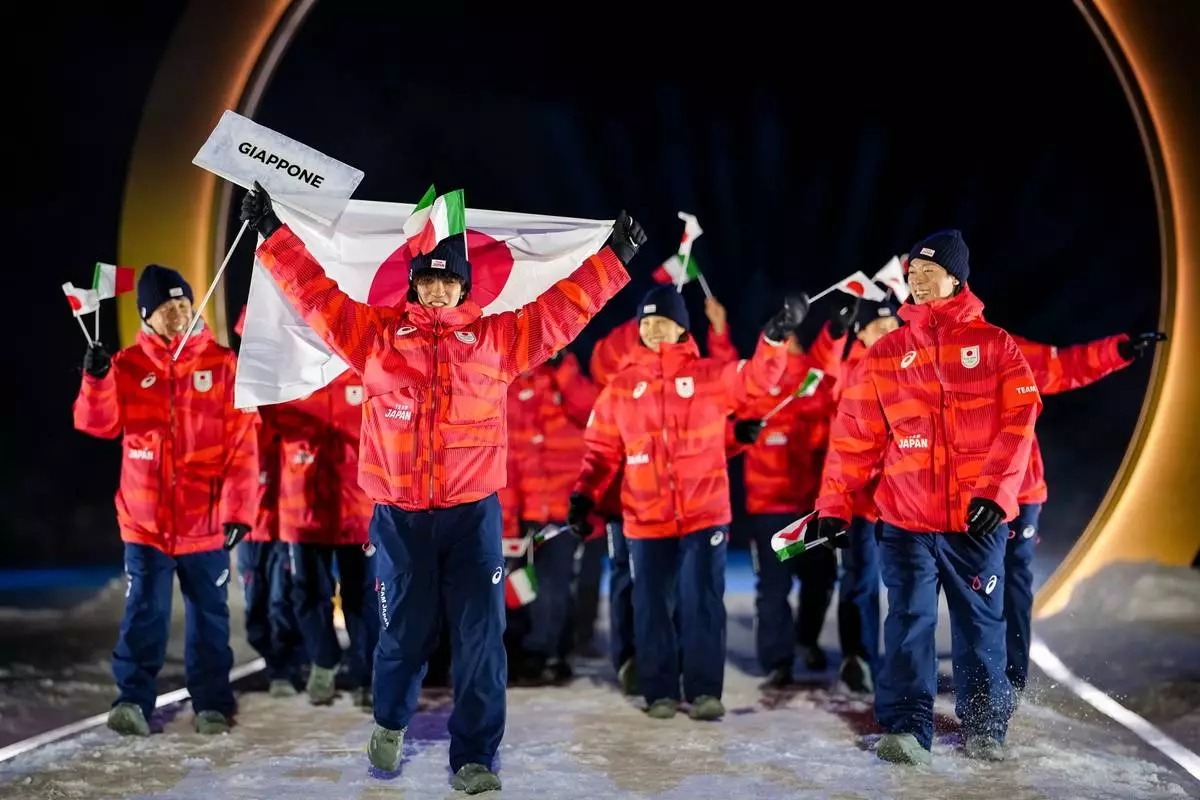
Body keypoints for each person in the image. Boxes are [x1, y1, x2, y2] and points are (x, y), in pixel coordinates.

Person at [241, 181, 641, 793]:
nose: (436, 289)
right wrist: (272, 237)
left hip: (472, 515)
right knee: (403, 635)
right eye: (427, 280)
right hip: (399, 517)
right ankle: (392, 719)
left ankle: (475, 755)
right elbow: (315, 295)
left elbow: (562, 310)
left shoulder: (496, 341)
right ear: (414, 284)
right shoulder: (374, 339)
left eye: (447, 280)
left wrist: (613, 261)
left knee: (482, 639)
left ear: (463, 285)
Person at [815, 230, 1041, 765]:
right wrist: (832, 507)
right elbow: (853, 438)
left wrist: (995, 491)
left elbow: (1020, 421)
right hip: (905, 520)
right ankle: (908, 728)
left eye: (926, 273)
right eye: (911, 274)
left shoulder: (995, 346)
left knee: (979, 624)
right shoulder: (887, 352)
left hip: (974, 522)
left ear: (957, 278)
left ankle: (986, 724)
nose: (915, 282)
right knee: (910, 621)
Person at [570, 285, 807, 721]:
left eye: (662, 322)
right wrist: (584, 495)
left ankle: (702, 691)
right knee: (651, 605)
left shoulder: (708, 375)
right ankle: (659, 689)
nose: (653, 329)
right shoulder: (621, 388)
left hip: (704, 513)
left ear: (681, 327)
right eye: (646, 323)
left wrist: (774, 338)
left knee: (702, 602)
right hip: (645, 518)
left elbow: (756, 379)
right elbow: (601, 452)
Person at [74, 265, 259, 736]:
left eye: (183, 303)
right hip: (145, 523)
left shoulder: (222, 365)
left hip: (206, 522)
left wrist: (240, 510)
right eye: (165, 307)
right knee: (144, 615)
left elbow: (243, 443)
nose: (178, 313)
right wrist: (96, 380)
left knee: (210, 620)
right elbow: (98, 425)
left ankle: (213, 704)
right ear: (146, 315)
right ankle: (132, 701)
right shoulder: (127, 366)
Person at [1000, 328, 1165, 696]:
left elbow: (1061, 365)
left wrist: (1116, 350)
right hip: (952, 494)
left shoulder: (998, 345)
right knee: (968, 586)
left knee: (1013, 580)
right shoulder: (904, 352)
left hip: (1018, 490)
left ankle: (1008, 682)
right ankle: (974, 676)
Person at [743, 302, 848, 688]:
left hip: (812, 505)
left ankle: (805, 640)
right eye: (778, 338)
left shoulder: (811, 383)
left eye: (792, 340)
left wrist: (835, 332)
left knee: (820, 581)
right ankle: (777, 661)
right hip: (770, 507)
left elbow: (826, 370)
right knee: (773, 587)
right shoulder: (754, 385)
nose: (789, 347)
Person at [268, 370, 379, 708]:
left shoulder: (365, 367)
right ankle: (325, 660)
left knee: (363, 598)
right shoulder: (289, 370)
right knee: (307, 593)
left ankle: (367, 676)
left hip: (358, 509)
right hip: (304, 509)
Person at [502, 348, 598, 684]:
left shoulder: (565, 380)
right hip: (524, 510)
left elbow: (592, 411)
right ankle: (521, 654)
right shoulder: (506, 387)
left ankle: (550, 653)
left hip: (562, 508)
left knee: (555, 584)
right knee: (519, 585)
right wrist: (506, 516)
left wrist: (564, 367)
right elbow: (506, 455)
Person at [825, 295, 901, 694]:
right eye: (879, 327)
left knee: (905, 584)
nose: (890, 333)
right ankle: (859, 657)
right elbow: (846, 443)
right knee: (861, 581)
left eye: (893, 325)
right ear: (861, 332)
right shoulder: (853, 371)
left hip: (902, 501)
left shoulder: (905, 365)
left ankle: (896, 662)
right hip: (860, 502)